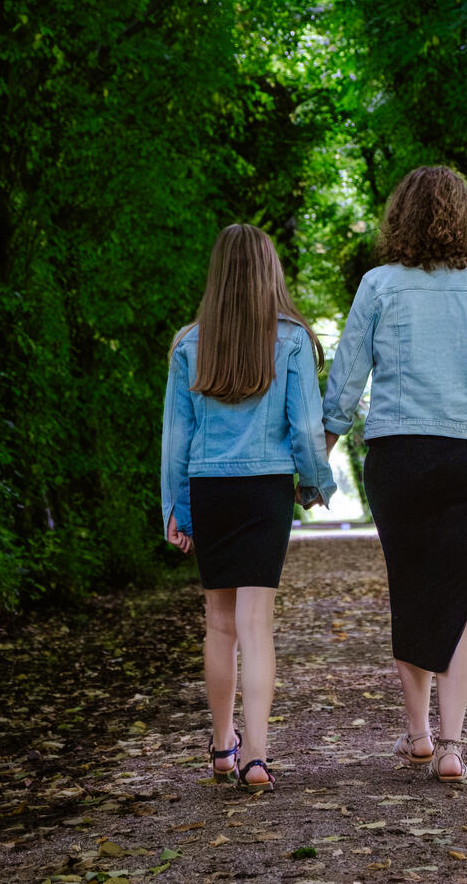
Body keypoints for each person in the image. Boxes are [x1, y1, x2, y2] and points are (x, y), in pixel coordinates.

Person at [323, 166, 467, 782]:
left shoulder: (378, 285)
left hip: (400, 456)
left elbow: (345, 384)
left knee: (412, 589)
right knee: (460, 596)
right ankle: (452, 745)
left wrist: (314, 461)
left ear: (401, 219)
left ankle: (417, 735)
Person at [160, 224, 336, 793]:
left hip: (210, 488)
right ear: (270, 273)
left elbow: (176, 438)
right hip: (265, 488)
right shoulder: (291, 340)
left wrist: (175, 508)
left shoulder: (190, 344)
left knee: (219, 624)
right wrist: (312, 483)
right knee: (256, 626)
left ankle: (220, 746)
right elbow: (307, 428)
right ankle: (256, 757)